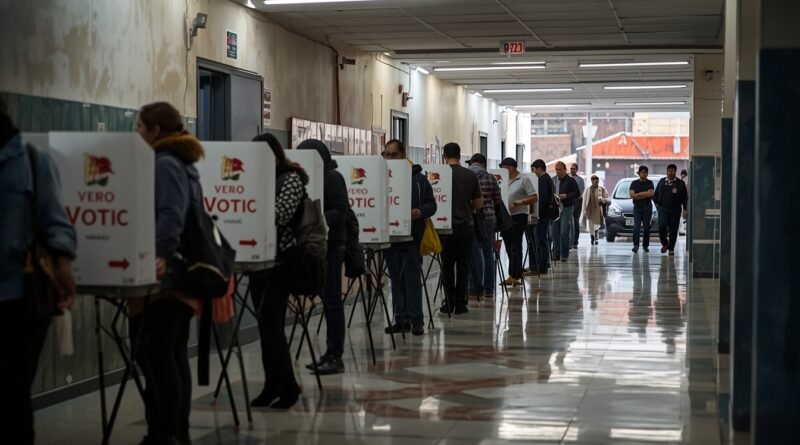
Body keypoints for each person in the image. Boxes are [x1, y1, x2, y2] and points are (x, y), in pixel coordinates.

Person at [0, 99, 77, 445]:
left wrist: (63, 268)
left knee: (13, 395)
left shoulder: (31, 162)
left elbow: (55, 223)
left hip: (21, 299)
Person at [132, 101, 205, 444]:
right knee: (172, 355)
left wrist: (159, 255)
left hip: (169, 274)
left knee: (160, 357)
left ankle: (166, 433)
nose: (135, 134)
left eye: (139, 128)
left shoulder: (164, 162)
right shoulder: (184, 161)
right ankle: (175, 432)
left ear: (155, 131)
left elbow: (170, 215)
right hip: (183, 272)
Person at [249, 133, 307, 409]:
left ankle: (288, 387)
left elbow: (281, 214)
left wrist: (247, 208)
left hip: (281, 261)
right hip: (257, 260)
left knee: (272, 328)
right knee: (265, 327)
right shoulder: (259, 179)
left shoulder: (291, 179)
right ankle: (273, 384)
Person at [297, 139, 348, 374]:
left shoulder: (332, 177)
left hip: (332, 245)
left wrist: (315, 217)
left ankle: (335, 355)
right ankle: (329, 353)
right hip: (316, 244)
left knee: (333, 301)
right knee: (327, 300)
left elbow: (341, 210)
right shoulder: (310, 178)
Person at [383, 140, 437, 335]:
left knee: (412, 279)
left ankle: (416, 321)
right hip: (390, 236)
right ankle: (400, 318)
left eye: (393, 154)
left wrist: (420, 211)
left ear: (403, 154)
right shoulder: (382, 176)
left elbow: (432, 205)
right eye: (386, 154)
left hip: (412, 236)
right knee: (396, 279)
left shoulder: (419, 179)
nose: (389, 158)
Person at [439, 143, 483, 314]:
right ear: (460, 156)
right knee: (463, 265)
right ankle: (461, 303)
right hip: (466, 227)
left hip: (445, 228)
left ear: (444, 156)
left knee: (447, 266)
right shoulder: (470, 175)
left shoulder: (438, 175)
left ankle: (448, 303)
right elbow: (478, 204)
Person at [466, 153, 502, 300]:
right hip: (488, 218)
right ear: (483, 164)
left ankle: (474, 287)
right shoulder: (490, 177)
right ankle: (489, 288)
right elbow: (498, 199)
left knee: (473, 252)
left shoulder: (466, 176)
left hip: (471, 218)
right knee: (488, 252)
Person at [499, 157, 538, 285]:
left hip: (519, 215)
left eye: (503, 167)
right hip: (506, 216)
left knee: (515, 244)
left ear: (510, 167)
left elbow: (534, 197)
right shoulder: (503, 181)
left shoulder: (524, 179)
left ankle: (515, 274)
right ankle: (513, 273)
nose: (501, 170)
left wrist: (519, 202)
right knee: (508, 245)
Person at [653, 164, 688, 256]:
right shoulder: (662, 182)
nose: (670, 172)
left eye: (672, 171)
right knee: (662, 226)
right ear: (666, 171)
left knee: (673, 229)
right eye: (669, 171)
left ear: (675, 172)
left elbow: (685, 197)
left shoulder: (680, 183)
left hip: (675, 209)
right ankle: (665, 243)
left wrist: (685, 209)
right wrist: (657, 205)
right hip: (663, 208)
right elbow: (655, 195)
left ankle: (671, 248)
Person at [551, 162, 580, 261]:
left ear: (564, 169)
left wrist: (566, 196)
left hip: (566, 207)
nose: (558, 171)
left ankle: (564, 254)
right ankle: (556, 253)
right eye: (556, 170)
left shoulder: (570, 181)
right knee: (554, 231)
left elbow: (577, 193)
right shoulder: (553, 180)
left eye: (559, 169)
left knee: (564, 231)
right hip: (555, 208)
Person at [532, 160, 555, 276]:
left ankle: (542, 265)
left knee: (540, 239)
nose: (534, 172)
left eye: (534, 169)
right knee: (543, 239)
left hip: (543, 214)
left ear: (539, 168)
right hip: (547, 214)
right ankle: (544, 264)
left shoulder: (542, 180)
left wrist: (537, 213)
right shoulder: (548, 179)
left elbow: (542, 198)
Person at [629, 165, 655, 253]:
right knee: (636, 227)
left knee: (647, 227)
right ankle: (636, 245)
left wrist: (638, 195)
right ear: (639, 173)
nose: (644, 174)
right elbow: (632, 195)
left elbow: (651, 194)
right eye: (642, 172)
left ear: (647, 173)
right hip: (637, 208)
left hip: (647, 207)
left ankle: (645, 246)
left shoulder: (650, 183)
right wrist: (645, 194)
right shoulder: (634, 183)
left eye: (645, 172)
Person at [582, 175, 608, 245]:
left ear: (598, 181)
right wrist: (584, 210)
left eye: (596, 180)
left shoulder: (602, 189)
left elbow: (606, 198)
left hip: (598, 209)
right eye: (593, 180)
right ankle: (592, 237)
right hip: (590, 209)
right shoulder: (588, 190)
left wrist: (602, 200)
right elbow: (584, 201)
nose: (594, 182)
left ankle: (596, 237)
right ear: (591, 181)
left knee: (596, 224)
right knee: (591, 225)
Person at [569, 163, 586, 249]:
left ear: (576, 170)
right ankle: (569, 241)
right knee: (569, 222)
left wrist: (575, 198)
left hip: (577, 202)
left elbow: (581, 192)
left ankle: (575, 241)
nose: (572, 170)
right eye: (571, 169)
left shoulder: (580, 180)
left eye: (574, 169)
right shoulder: (567, 179)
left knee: (575, 221)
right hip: (568, 202)